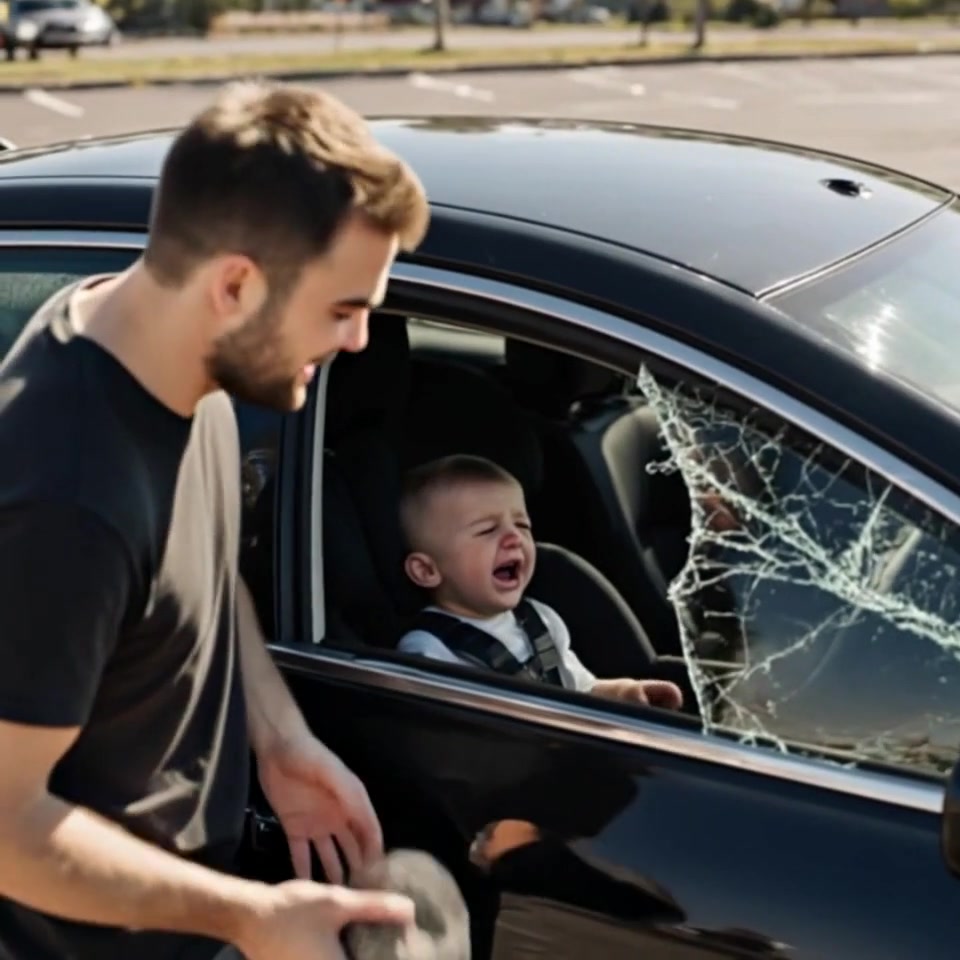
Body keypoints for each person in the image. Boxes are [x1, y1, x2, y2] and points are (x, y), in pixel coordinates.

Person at [0, 80, 430, 960]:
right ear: (235, 285)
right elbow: (6, 828)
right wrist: (245, 917)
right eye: (342, 310)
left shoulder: (175, 358)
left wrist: (280, 738)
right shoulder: (66, 498)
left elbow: (197, 564)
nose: (356, 342)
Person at [397, 455, 684, 710]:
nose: (514, 538)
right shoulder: (428, 650)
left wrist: (625, 693)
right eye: (487, 530)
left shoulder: (541, 619)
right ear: (426, 570)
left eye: (522, 525)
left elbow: (580, 689)